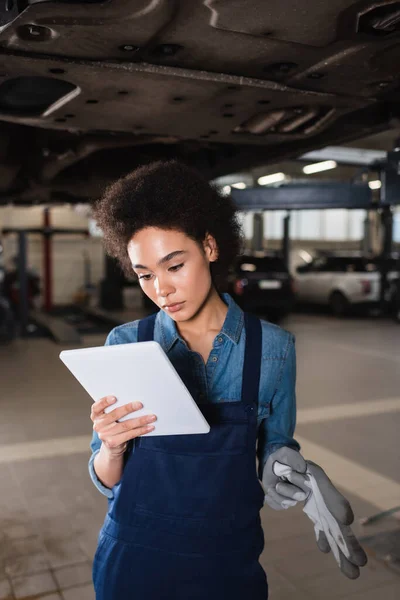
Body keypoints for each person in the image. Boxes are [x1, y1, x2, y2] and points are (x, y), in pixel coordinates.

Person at [88, 160, 367, 600]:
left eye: (174, 266)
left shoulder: (273, 348)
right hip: (133, 561)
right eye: (146, 275)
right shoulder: (124, 343)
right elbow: (104, 478)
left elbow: (276, 443)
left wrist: (289, 470)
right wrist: (111, 446)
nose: (161, 290)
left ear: (210, 247)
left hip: (226, 564)